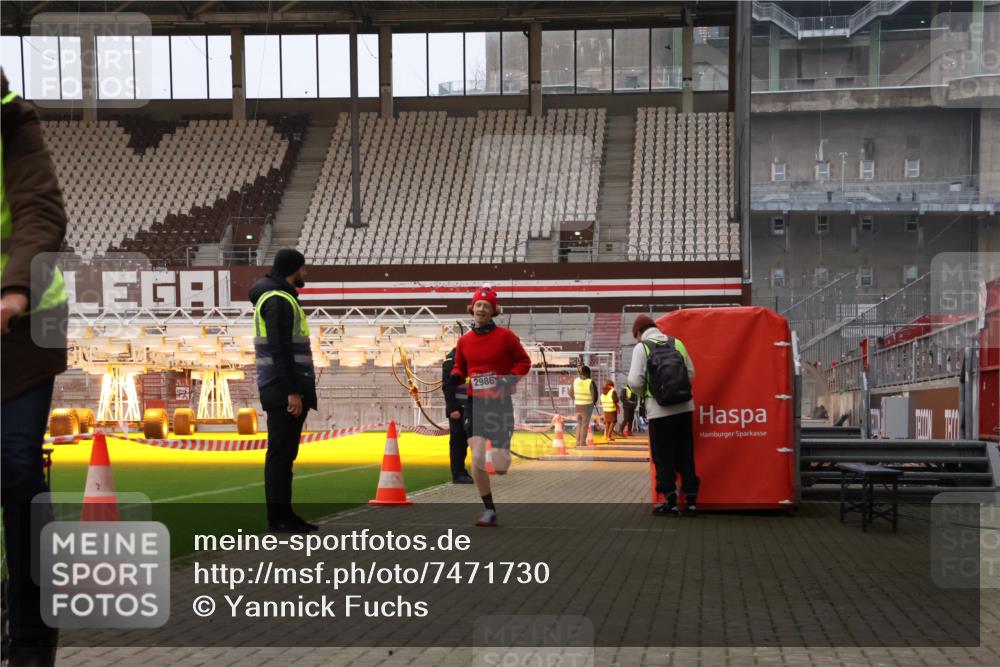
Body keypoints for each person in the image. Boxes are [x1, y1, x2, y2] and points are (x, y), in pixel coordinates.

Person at [1, 70, 66, 667]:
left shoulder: (17, 128)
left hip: (20, 336)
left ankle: (31, 631)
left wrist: (15, 289)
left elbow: (40, 214)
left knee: (16, 467)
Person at [249, 248, 319, 534]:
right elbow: (280, 349)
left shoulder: (277, 297)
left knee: (284, 455)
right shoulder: (278, 300)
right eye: (303, 269)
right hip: (282, 389)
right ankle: (279, 518)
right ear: (293, 269)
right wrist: (292, 391)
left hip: (280, 387)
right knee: (280, 455)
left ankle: (284, 514)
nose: (306, 274)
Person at [450, 285, 531, 527]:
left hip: (500, 404)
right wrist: (455, 376)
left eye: (486, 305)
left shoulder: (506, 337)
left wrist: (508, 378)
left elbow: (524, 362)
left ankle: (502, 451)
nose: (481, 309)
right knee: (476, 457)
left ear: (493, 311)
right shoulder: (464, 340)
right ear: (472, 308)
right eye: (478, 305)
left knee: (500, 465)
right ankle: (489, 510)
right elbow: (459, 367)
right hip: (475, 403)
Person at [627, 314, 699, 517]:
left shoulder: (642, 347)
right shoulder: (678, 343)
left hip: (659, 412)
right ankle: (692, 502)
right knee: (686, 455)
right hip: (684, 408)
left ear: (638, 333)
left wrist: (648, 395)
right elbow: (691, 373)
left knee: (663, 457)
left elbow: (634, 381)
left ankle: (670, 502)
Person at [441, 347, 473, 484]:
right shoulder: (451, 361)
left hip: (473, 406)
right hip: (458, 408)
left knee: (471, 441)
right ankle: (458, 473)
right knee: (459, 441)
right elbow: (447, 386)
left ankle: (463, 471)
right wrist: (453, 408)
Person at [572, 365, 598, 447]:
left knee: (579, 425)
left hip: (577, 406)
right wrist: (593, 403)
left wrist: (576, 399)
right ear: (588, 373)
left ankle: (578, 442)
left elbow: (570, 393)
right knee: (584, 426)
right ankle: (582, 443)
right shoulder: (590, 382)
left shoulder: (575, 381)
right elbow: (594, 395)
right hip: (587, 407)